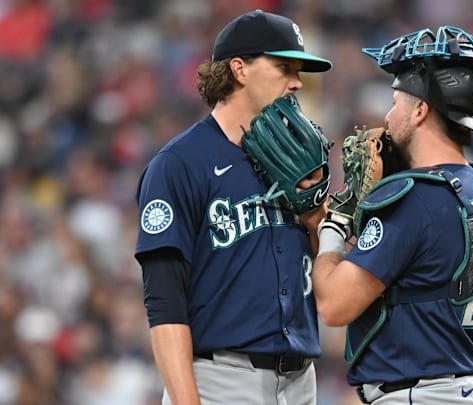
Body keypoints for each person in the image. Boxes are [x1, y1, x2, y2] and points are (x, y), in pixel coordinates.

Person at [134, 10, 332, 405]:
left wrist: (316, 220)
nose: (297, 81)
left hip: (301, 382)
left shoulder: (301, 159)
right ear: (239, 69)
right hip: (220, 380)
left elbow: (330, 292)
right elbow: (164, 302)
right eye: (284, 67)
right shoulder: (180, 164)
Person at [312, 25, 473, 404]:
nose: (388, 117)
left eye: (395, 102)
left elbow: (333, 305)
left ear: (420, 109)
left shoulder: (412, 198)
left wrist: (335, 224)